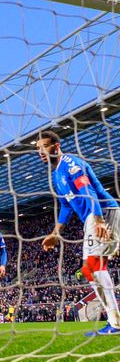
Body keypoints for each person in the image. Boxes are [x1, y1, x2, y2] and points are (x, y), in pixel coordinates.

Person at [38, 130, 120, 336]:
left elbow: (88, 191)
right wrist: (56, 233)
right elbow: (66, 206)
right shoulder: (56, 174)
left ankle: (115, 324)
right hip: (92, 217)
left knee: (92, 267)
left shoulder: (70, 164)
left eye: (44, 146)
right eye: (38, 148)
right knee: (91, 269)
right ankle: (115, 322)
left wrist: (99, 219)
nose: (41, 151)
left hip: (101, 212)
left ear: (56, 146)